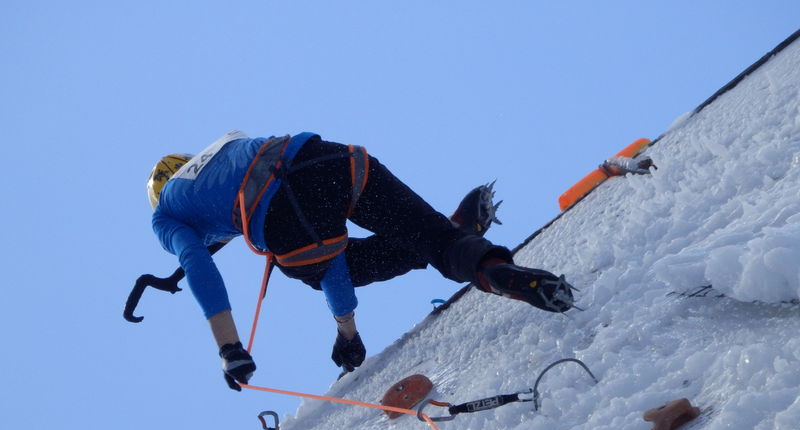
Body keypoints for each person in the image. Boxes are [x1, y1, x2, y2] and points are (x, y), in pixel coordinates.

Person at [146, 131, 575, 391]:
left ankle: (463, 255)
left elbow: (199, 264)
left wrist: (231, 348)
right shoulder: (226, 149)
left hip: (287, 217)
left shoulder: (165, 213)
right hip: (332, 160)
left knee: (316, 260)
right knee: (435, 237)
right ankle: (493, 270)